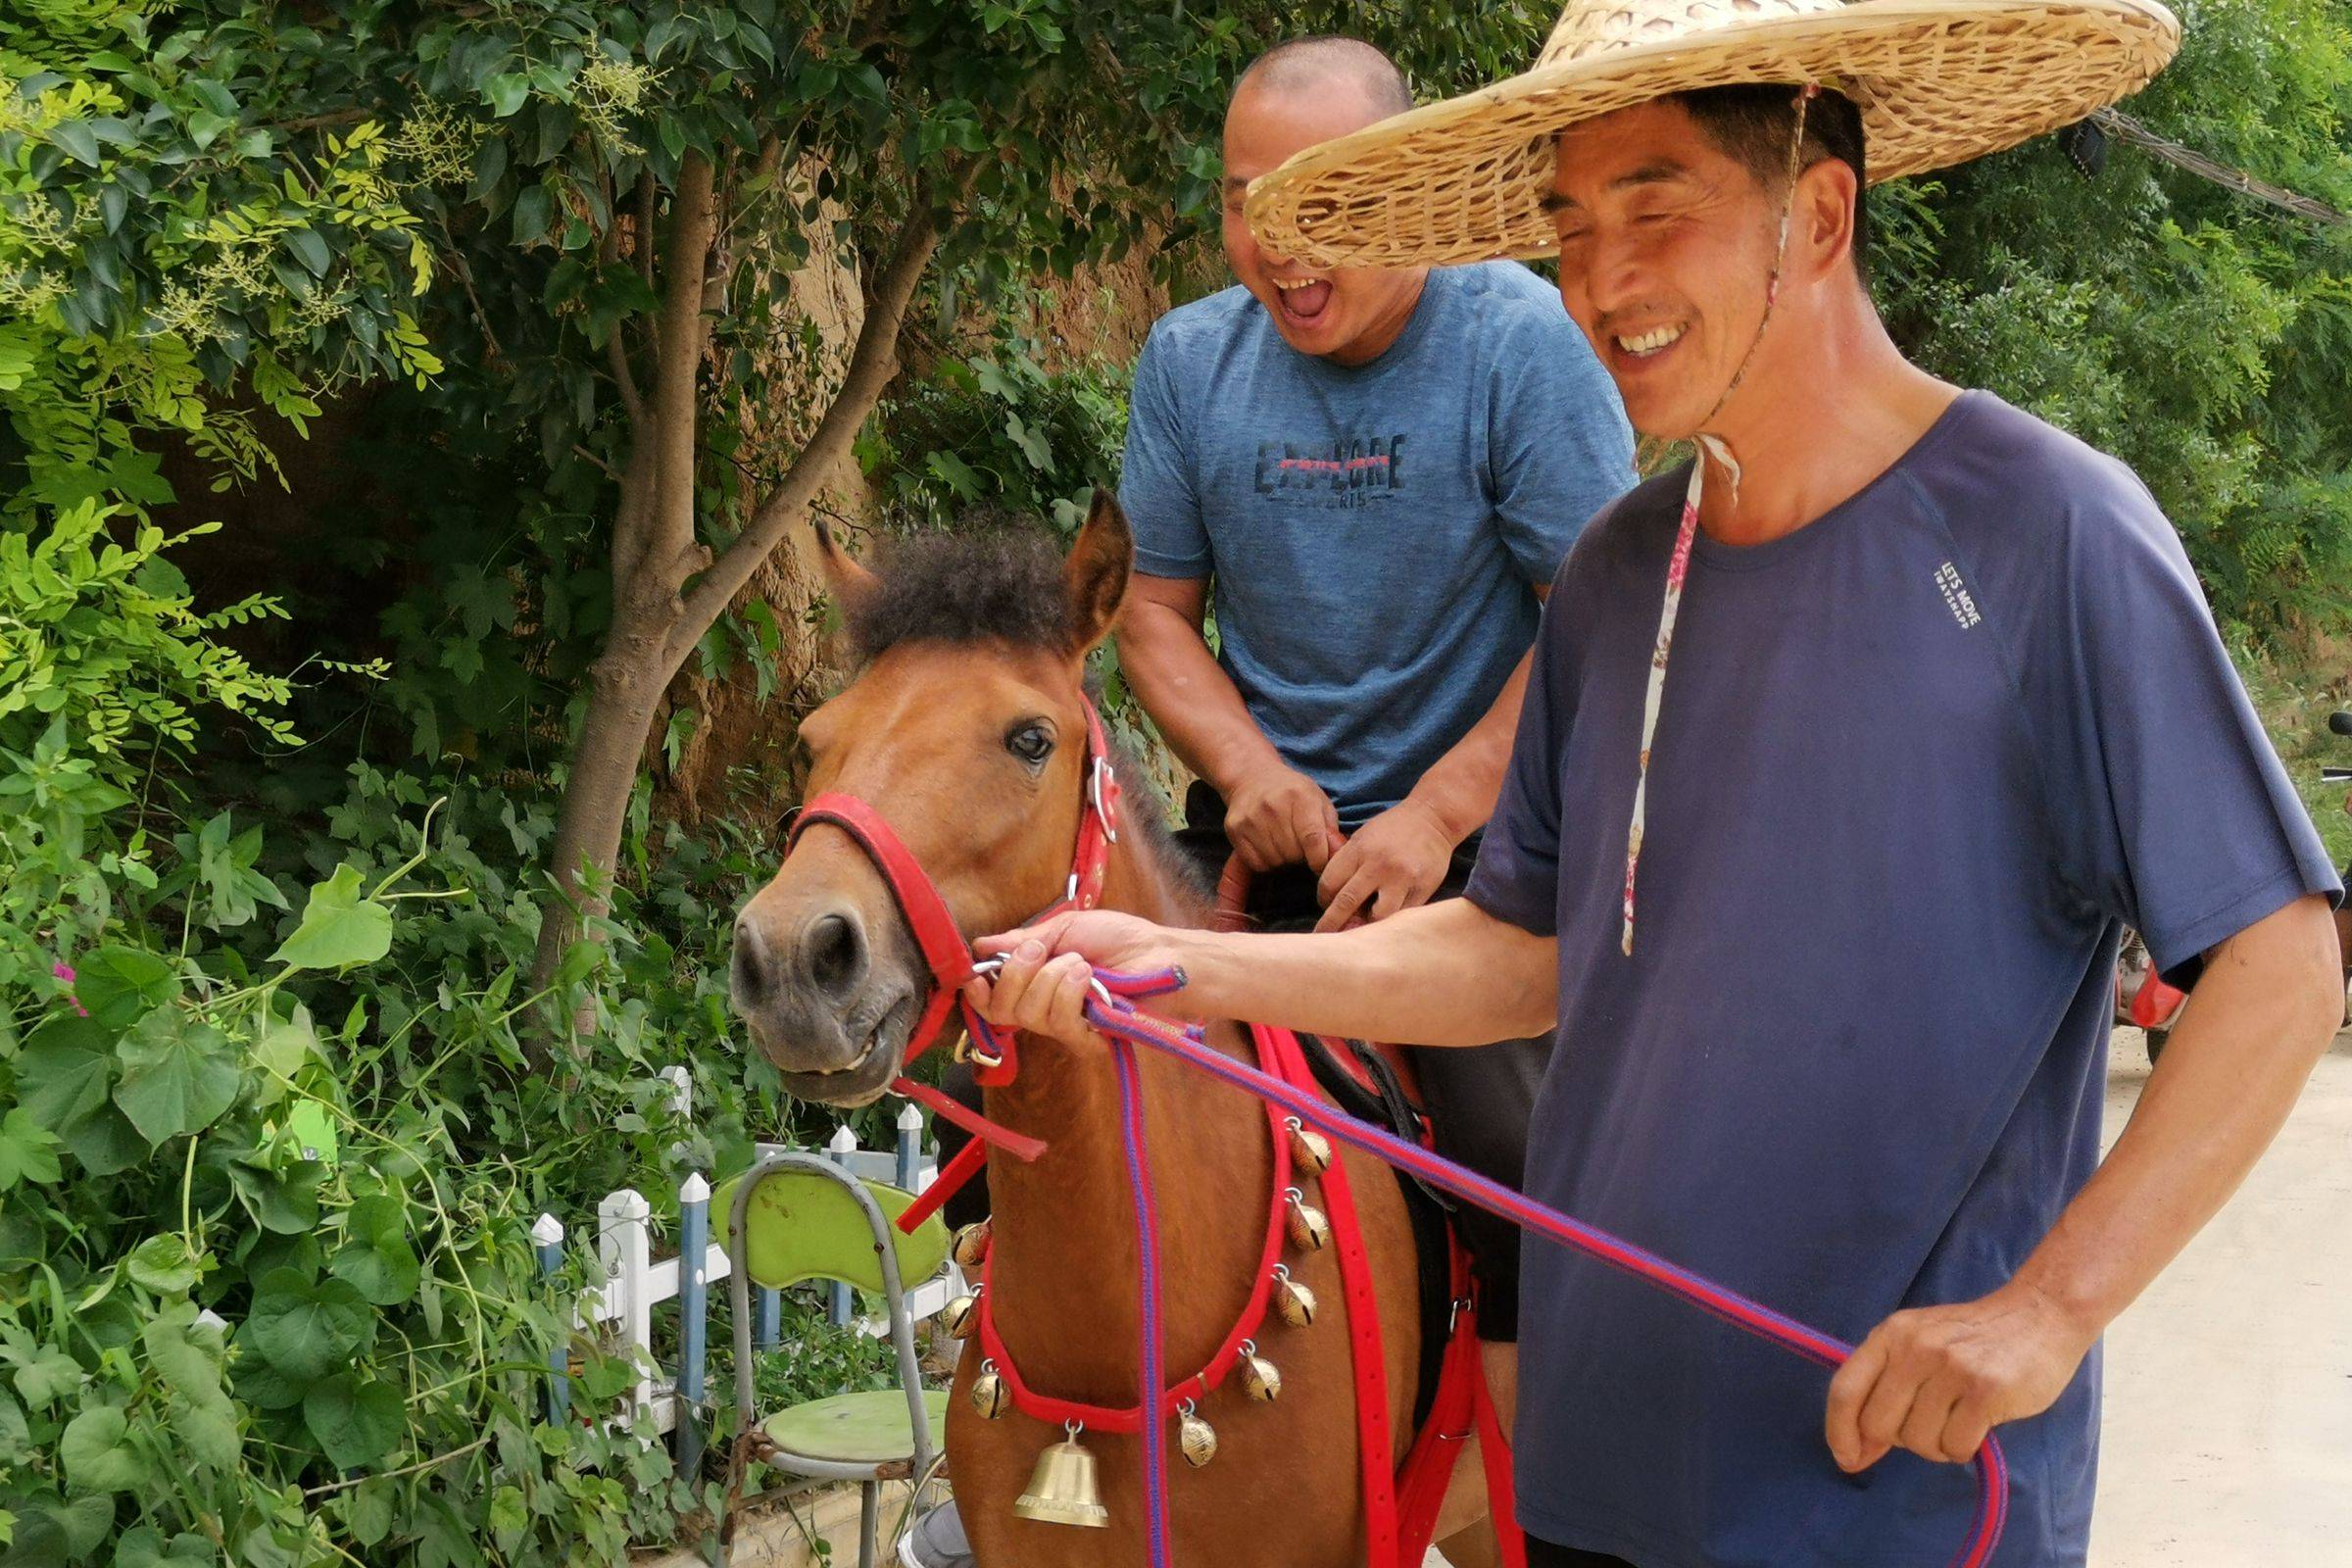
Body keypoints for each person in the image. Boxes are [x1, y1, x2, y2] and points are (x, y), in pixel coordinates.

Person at [967, 2, 2347, 1565]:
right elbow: (1520, 949)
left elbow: (2282, 966)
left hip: (1890, 1498)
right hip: (1596, 1478)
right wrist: (1185, 964)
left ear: (1815, 214)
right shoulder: (1625, 570)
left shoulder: (2048, 534)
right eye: (1570, 228)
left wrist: (2044, 1316)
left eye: (1655, 211)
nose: (1600, 283)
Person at [897, 36, 1633, 1568]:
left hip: (1487, 866)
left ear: (1412, 195)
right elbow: (1152, 614)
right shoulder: (1191, 362)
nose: (1278, 243)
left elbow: (1592, 616)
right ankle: (1002, 1462)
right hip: (1253, 853)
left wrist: (1434, 813)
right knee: (1035, 1105)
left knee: (1515, 1158)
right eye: (1245, 203)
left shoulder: (1522, 346)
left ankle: (1548, 1497)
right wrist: (1251, 774)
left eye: (1322, 200)